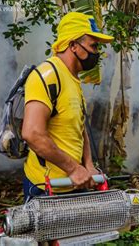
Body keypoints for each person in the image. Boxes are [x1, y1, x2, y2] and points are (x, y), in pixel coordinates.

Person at [21, 12, 113, 201]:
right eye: (93, 46)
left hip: (75, 184)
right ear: (73, 46)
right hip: (46, 188)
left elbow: (79, 129)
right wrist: (73, 167)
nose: (97, 53)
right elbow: (32, 134)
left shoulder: (72, 79)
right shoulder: (47, 76)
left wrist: (87, 164)